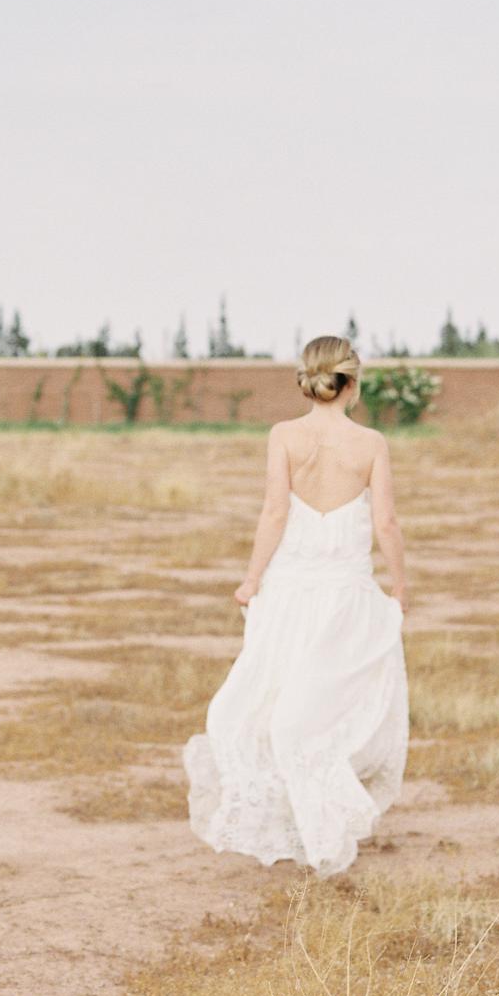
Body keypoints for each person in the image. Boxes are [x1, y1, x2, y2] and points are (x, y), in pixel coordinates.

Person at [183, 335, 409, 877]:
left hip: (289, 593)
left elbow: (274, 516)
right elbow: (385, 523)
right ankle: (319, 817)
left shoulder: (284, 436)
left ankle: (302, 818)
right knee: (332, 705)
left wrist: (251, 579)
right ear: (352, 383)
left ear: (308, 381)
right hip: (344, 597)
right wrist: (400, 584)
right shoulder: (372, 443)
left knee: (277, 698)